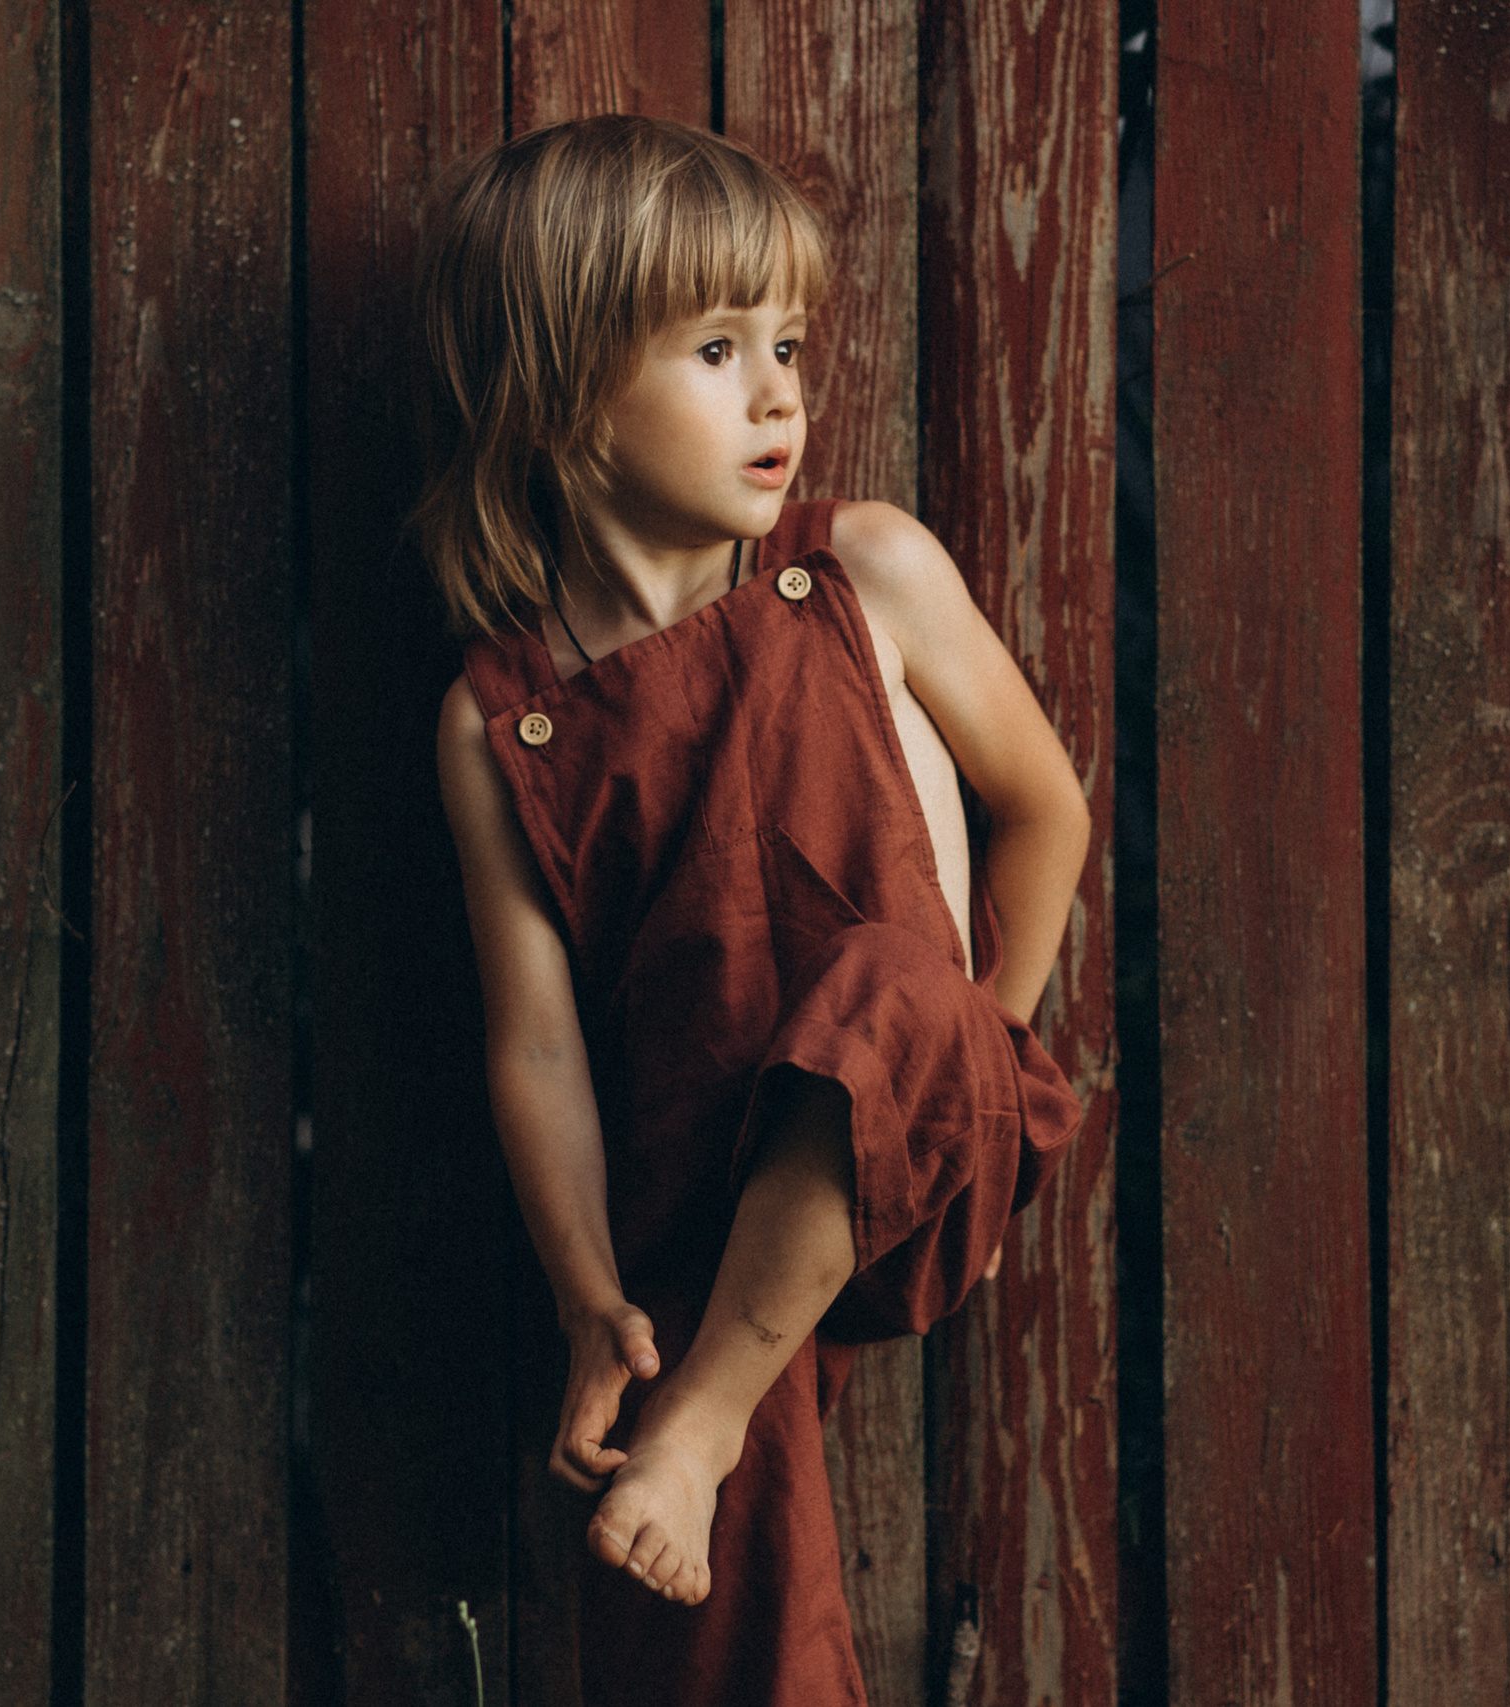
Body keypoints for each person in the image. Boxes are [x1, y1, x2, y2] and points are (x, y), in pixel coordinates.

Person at [417, 113, 1090, 1704]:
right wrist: (589, 1298)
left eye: (787, 345)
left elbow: (1045, 807)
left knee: (893, 994)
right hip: (705, 1210)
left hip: (919, 1111)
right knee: (714, 1603)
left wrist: (979, 1063)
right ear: (561, 389)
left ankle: (702, 1423)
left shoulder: (864, 569)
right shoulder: (499, 720)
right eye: (719, 351)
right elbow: (537, 1048)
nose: (781, 393)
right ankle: (699, 1430)